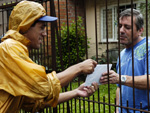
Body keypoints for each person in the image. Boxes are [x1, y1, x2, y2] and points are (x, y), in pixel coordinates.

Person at [0, 1, 99, 113]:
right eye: (42, 27)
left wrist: (76, 92)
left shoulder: (15, 50)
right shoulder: (9, 48)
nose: (45, 33)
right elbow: (41, 86)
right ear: (26, 25)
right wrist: (78, 68)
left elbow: (33, 103)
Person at [100, 9, 150, 113]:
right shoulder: (122, 54)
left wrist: (121, 78)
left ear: (140, 30)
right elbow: (119, 87)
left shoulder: (148, 47)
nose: (121, 31)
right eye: (119, 26)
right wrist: (118, 109)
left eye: (127, 27)